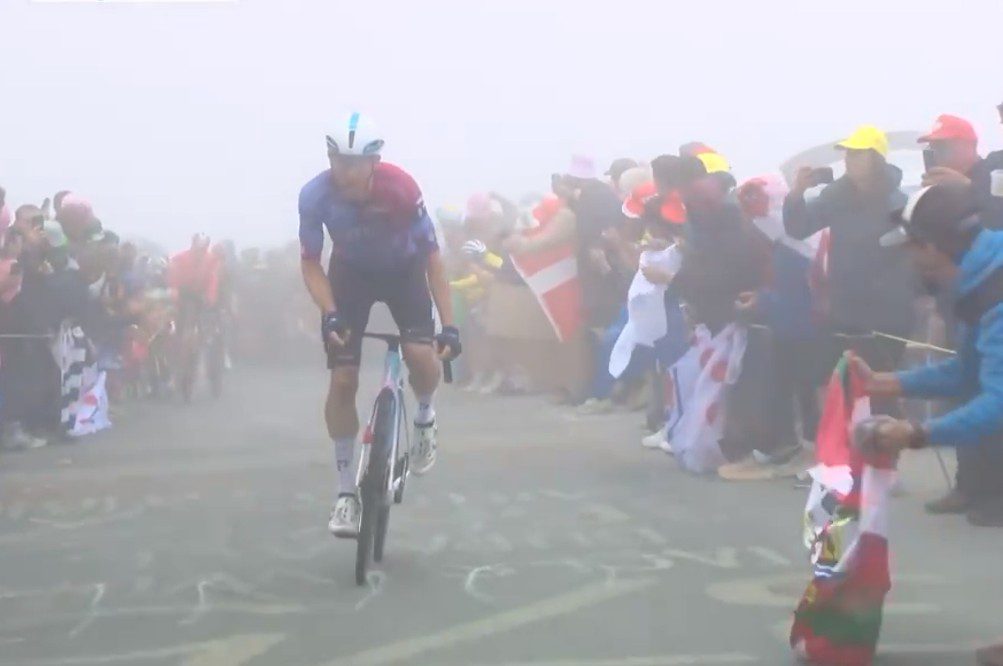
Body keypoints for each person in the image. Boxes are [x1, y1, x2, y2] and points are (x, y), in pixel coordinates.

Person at [850, 183, 1003, 666]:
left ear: (933, 246)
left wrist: (918, 433)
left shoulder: (996, 289)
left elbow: (998, 399)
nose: (911, 260)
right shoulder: (981, 280)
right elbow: (969, 371)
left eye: (913, 247)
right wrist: (890, 382)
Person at [298, 112, 460, 538]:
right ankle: (345, 493)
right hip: (351, 275)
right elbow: (310, 263)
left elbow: (433, 258)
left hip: (404, 270)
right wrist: (330, 312)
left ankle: (424, 416)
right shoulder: (315, 196)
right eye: (338, 161)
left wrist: (450, 325)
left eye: (355, 163)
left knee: (420, 355)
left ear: (375, 162)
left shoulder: (401, 188)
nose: (345, 172)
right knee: (343, 381)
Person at [783, 125, 915, 401]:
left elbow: (915, 255)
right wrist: (796, 194)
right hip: (843, 313)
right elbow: (798, 227)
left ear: (876, 158)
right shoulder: (836, 197)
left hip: (888, 316)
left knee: (880, 394)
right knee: (839, 392)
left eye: (857, 153)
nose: (849, 159)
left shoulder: (899, 202)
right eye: (848, 153)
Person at [918, 114, 1003, 229]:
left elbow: (998, 220)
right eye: (932, 148)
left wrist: (969, 188)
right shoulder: (939, 187)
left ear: (970, 146)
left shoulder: (995, 173)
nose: (937, 154)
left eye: (943, 147)